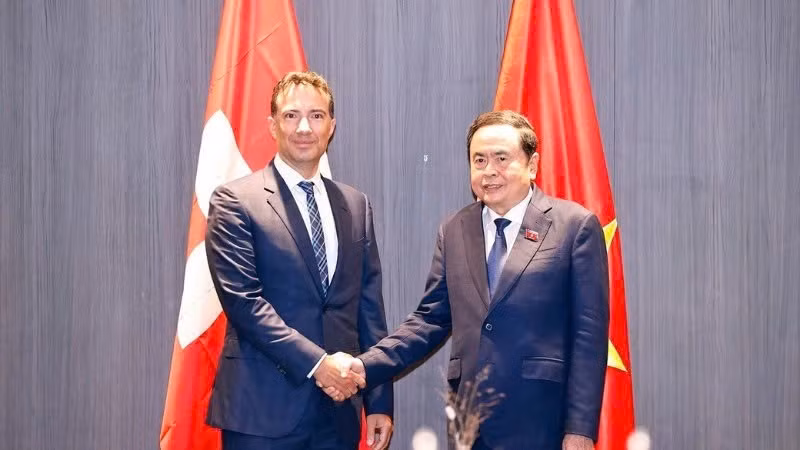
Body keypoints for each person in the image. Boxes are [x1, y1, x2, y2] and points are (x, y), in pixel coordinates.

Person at [337, 110, 609, 449]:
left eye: (501, 158)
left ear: (532, 164)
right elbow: (428, 321)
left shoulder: (574, 226)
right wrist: (364, 366)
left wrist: (580, 429)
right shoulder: (455, 229)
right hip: (470, 425)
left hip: (543, 422)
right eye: (479, 160)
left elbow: (589, 337)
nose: (489, 171)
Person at [204, 71, 393, 450]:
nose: (304, 127)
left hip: (338, 413)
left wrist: (379, 400)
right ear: (272, 125)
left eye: (317, 116)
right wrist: (319, 364)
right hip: (262, 412)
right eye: (291, 115)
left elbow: (368, 310)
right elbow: (245, 304)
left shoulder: (356, 206)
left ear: (332, 126)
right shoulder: (234, 201)